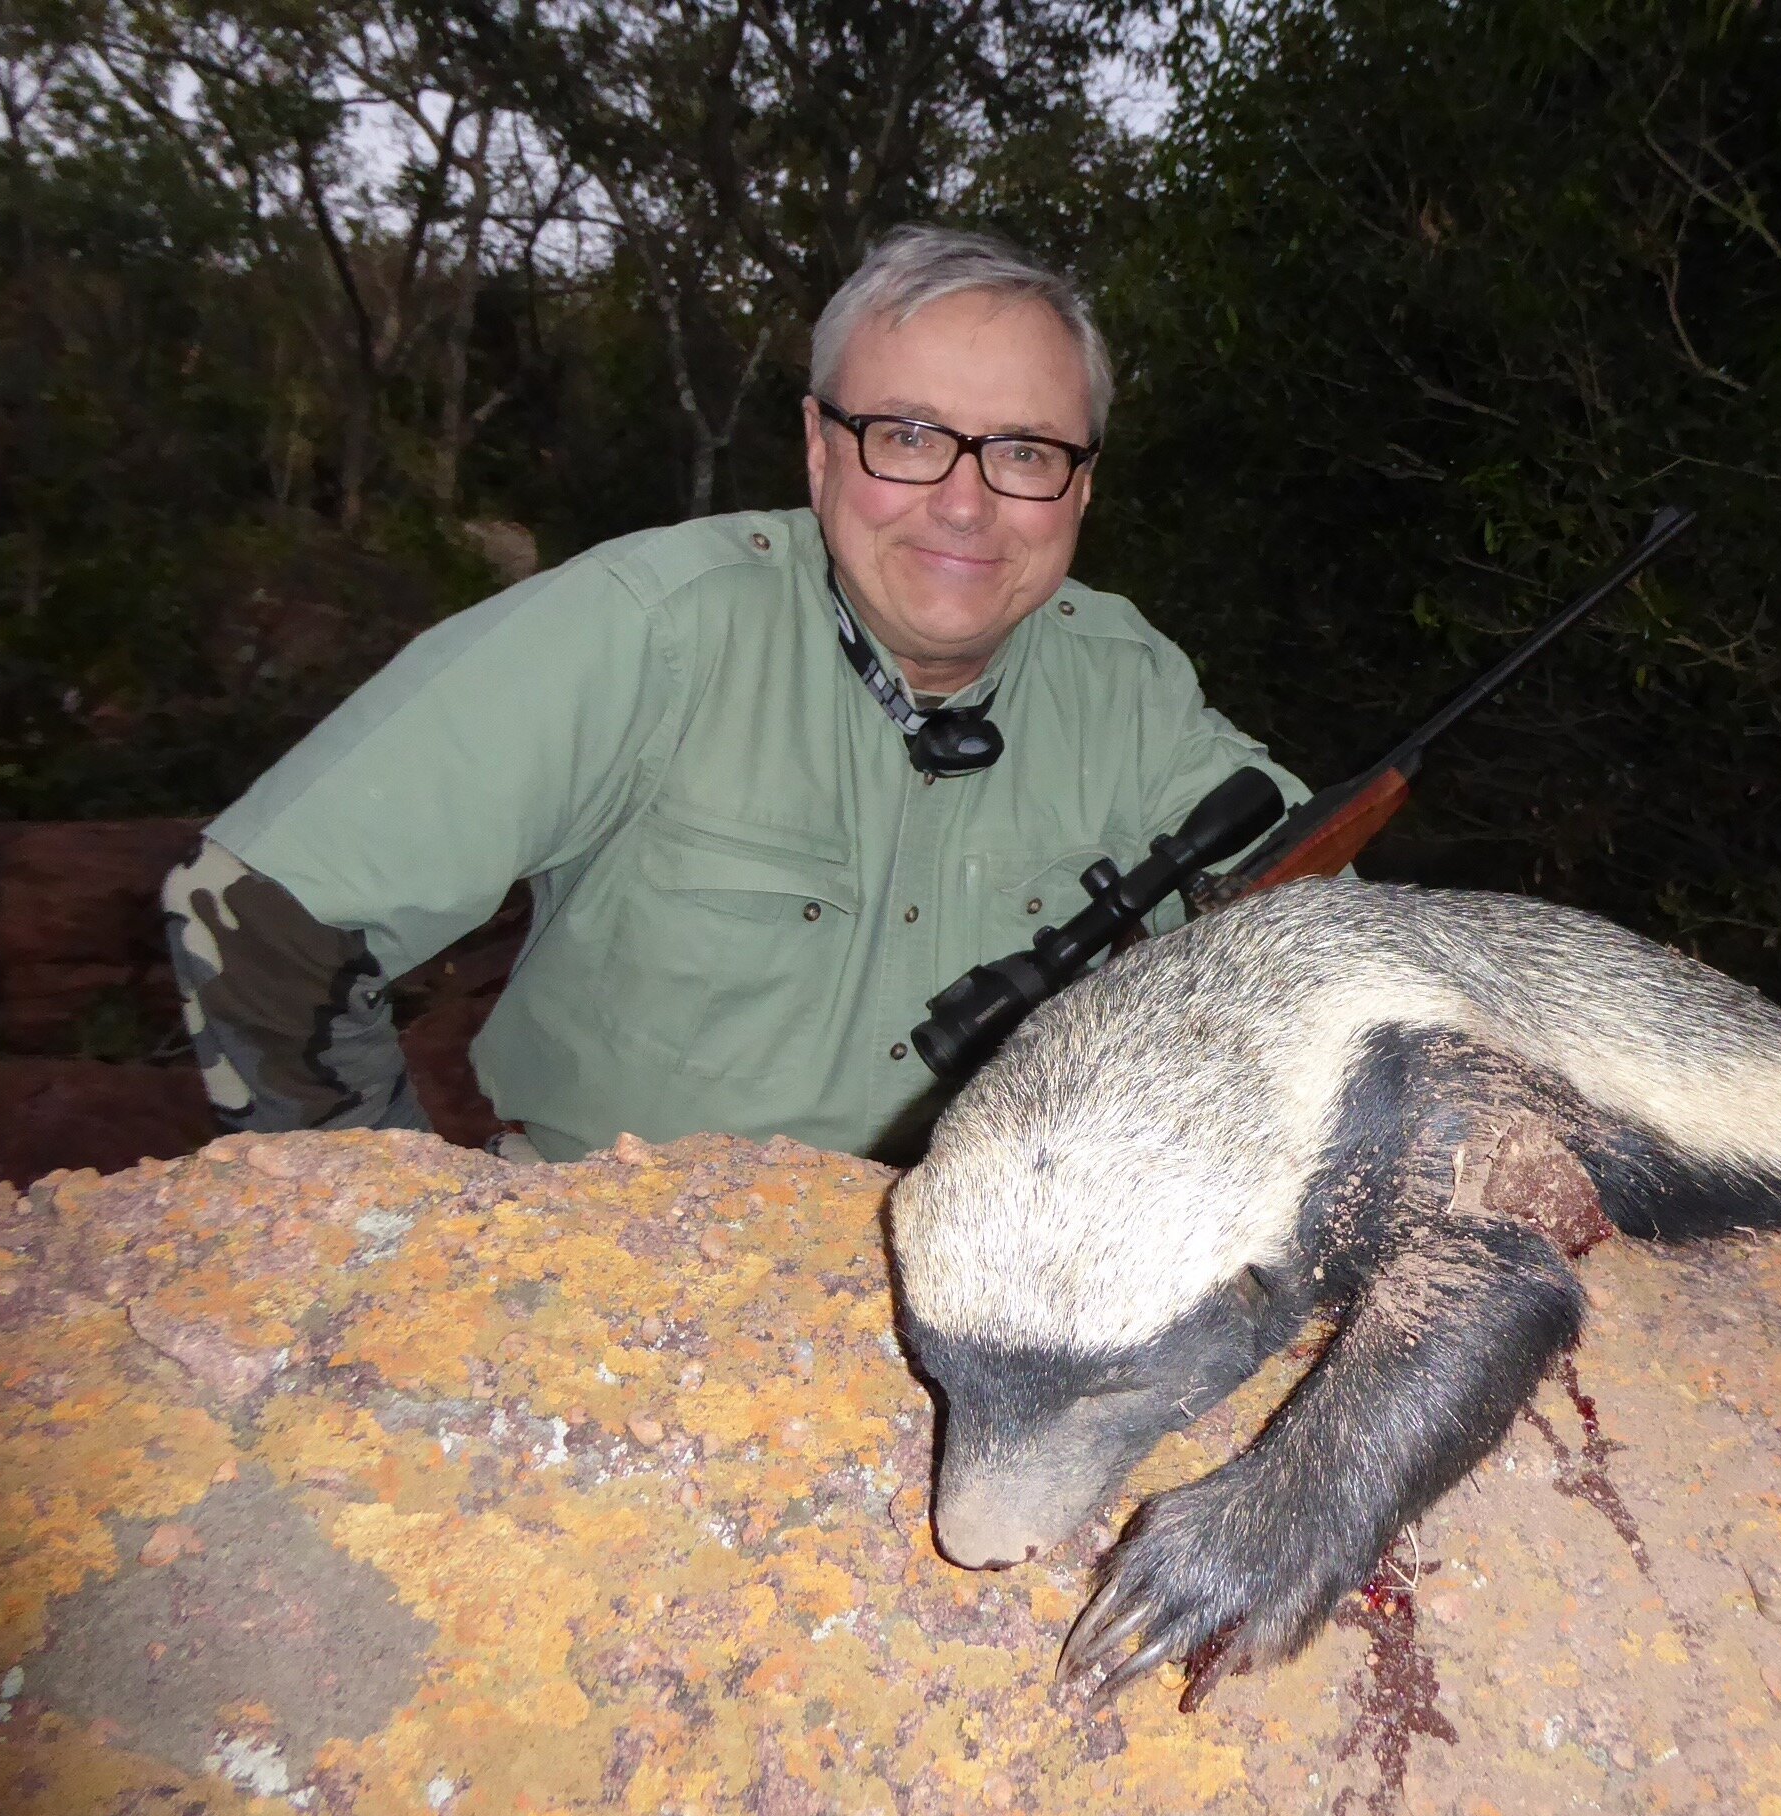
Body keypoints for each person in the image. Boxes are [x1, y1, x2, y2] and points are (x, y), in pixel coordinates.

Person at [161, 225, 1308, 1163]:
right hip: (625, 1298)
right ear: (818, 447)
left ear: (1080, 486)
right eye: (906, 436)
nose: (965, 504)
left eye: (1021, 452)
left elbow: (1321, 933)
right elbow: (259, 916)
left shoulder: (1129, 683)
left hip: (1008, 1300)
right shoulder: (648, 627)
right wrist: (388, 1236)